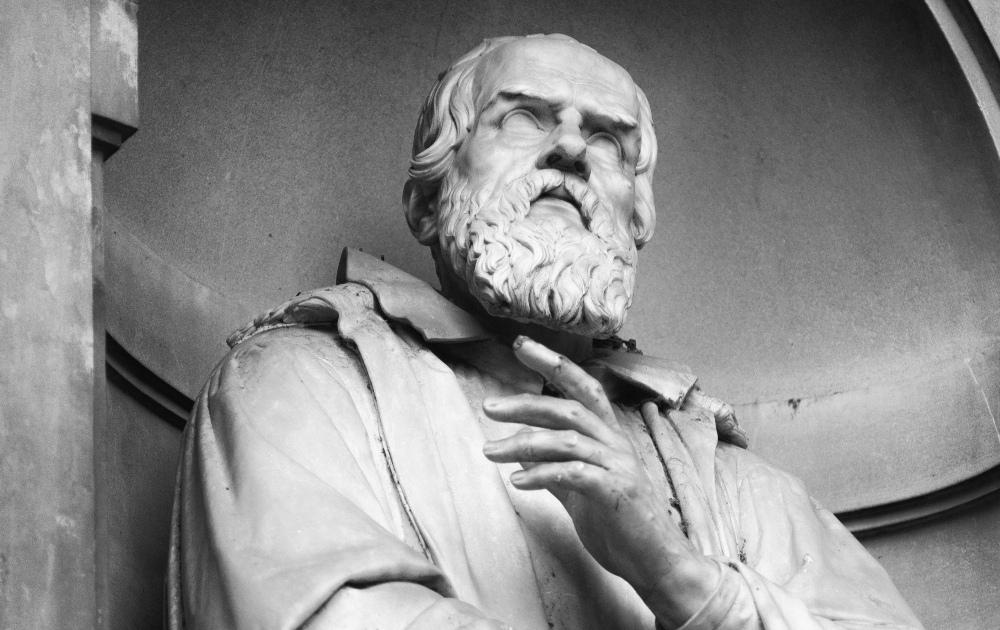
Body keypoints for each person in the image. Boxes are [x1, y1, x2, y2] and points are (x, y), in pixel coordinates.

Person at [167, 34, 923, 630]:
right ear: (427, 205)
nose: (570, 149)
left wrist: (680, 576)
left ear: (637, 220)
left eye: (608, 139)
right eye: (523, 118)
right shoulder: (299, 386)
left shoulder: (724, 478)